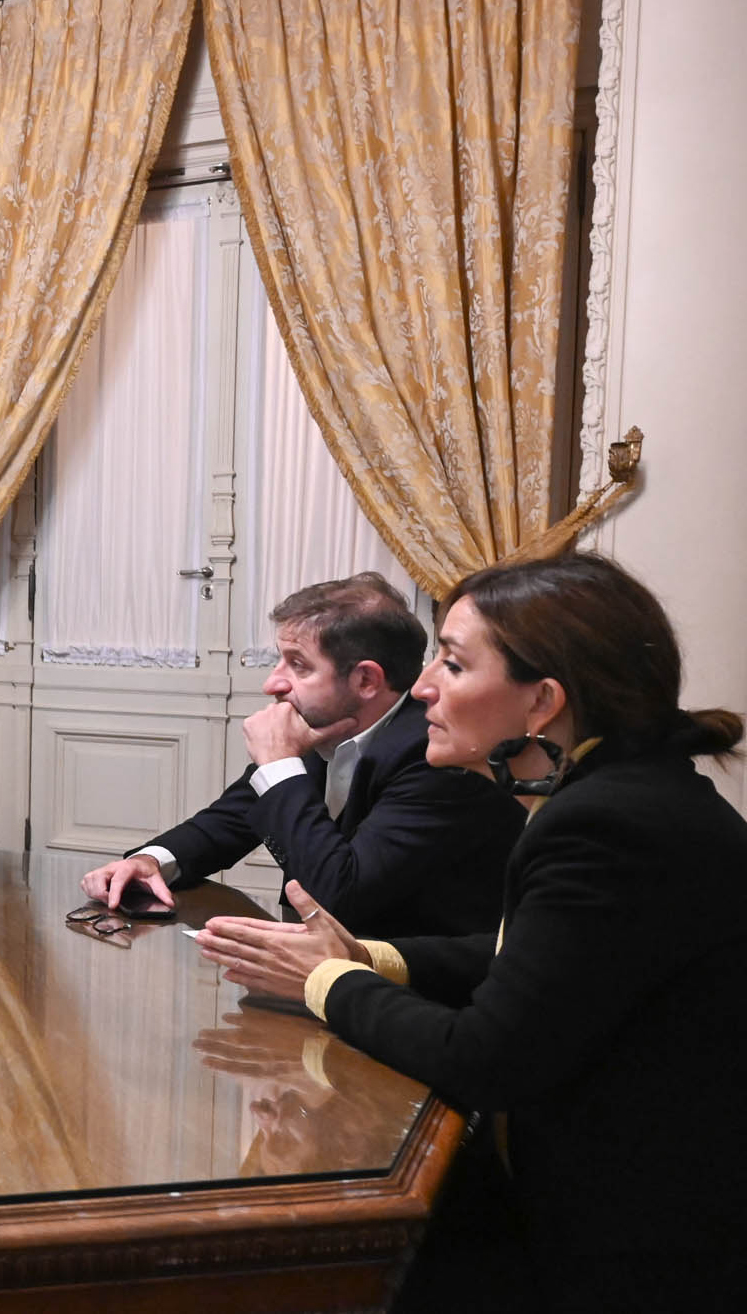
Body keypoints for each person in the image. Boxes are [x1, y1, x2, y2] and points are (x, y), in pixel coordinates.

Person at [193, 553, 747, 1311]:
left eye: (450, 664)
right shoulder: (617, 795)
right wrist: (366, 956)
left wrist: (325, 979)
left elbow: (485, 1059)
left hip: (627, 1237)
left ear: (541, 701)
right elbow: (520, 956)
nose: (420, 687)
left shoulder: (602, 823)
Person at [82, 572, 522, 936]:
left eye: (298, 665)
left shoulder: (433, 754)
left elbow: (340, 899)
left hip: (408, 990)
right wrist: (149, 861)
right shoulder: (321, 729)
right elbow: (228, 821)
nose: (273, 684)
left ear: (367, 680)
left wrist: (279, 764)